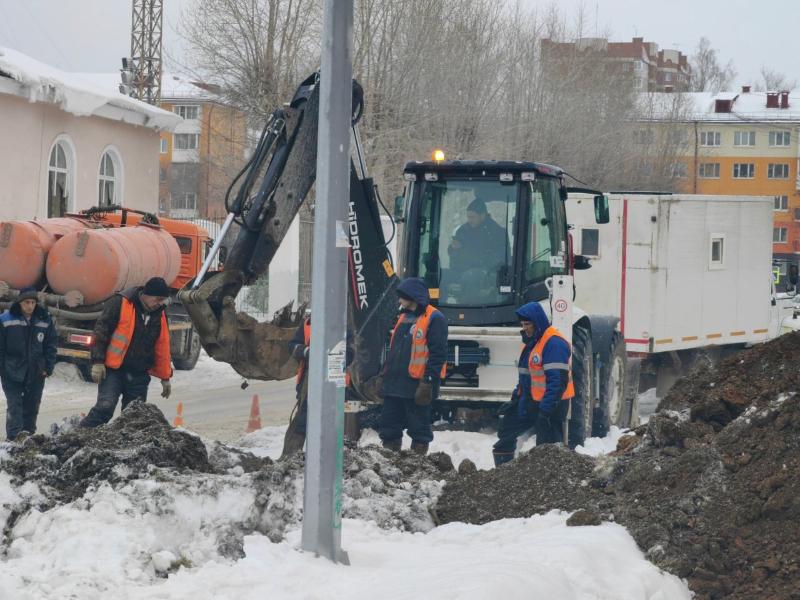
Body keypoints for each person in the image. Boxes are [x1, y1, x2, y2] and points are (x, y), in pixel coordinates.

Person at [80, 277, 173, 428]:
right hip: (113, 370)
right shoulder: (120, 303)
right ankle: (79, 436)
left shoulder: (160, 314)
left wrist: (165, 376)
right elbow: (101, 332)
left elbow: (162, 346)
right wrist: (97, 362)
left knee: (133, 418)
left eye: (163, 300)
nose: (160, 303)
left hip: (139, 374)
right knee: (105, 408)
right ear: (146, 294)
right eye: (158, 299)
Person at [492, 301, 574, 466]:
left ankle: (551, 479)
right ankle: (503, 475)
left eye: (527, 324)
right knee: (506, 429)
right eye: (522, 324)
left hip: (552, 405)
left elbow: (557, 383)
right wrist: (515, 400)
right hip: (531, 401)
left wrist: (545, 411)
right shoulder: (532, 343)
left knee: (547, 448)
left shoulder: (554, 344)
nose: (524, 328)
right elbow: (525, 378)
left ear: (537, 322)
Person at [378, 277, 448, 455]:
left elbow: (438, 353)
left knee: (419, 428)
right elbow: (395, 350)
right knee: (389, 426)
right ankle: (390, 457)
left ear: (413, 296)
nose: (399, 300)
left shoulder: (435, 318)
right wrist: (384, 375)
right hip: (395, 384)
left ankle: (416, 462)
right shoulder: (402, 317)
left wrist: (428, 382)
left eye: (402, 296)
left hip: (417, 384)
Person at [0, 287, 57, 441]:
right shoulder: (6, 319)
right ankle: (14, 440)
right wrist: (2, 369)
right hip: (11, 371)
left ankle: (28, 437)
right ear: (20, 303)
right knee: (15, 406)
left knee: (32, 406)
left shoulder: (44, 319)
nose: (30, 306)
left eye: (33, 302)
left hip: (36, 372)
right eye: (26, 302)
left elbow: (51, 345)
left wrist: (48, 368)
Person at [447, 198, 509, 274]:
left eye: (472, 217)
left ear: (483, 215)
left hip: (486, 275)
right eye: (468, 217)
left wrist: (476, 259)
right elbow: (453, 255)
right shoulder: (463, 230)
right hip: (459, 272)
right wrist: (453, 248)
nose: (469, 220)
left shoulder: (497, 233)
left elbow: (500, 259)